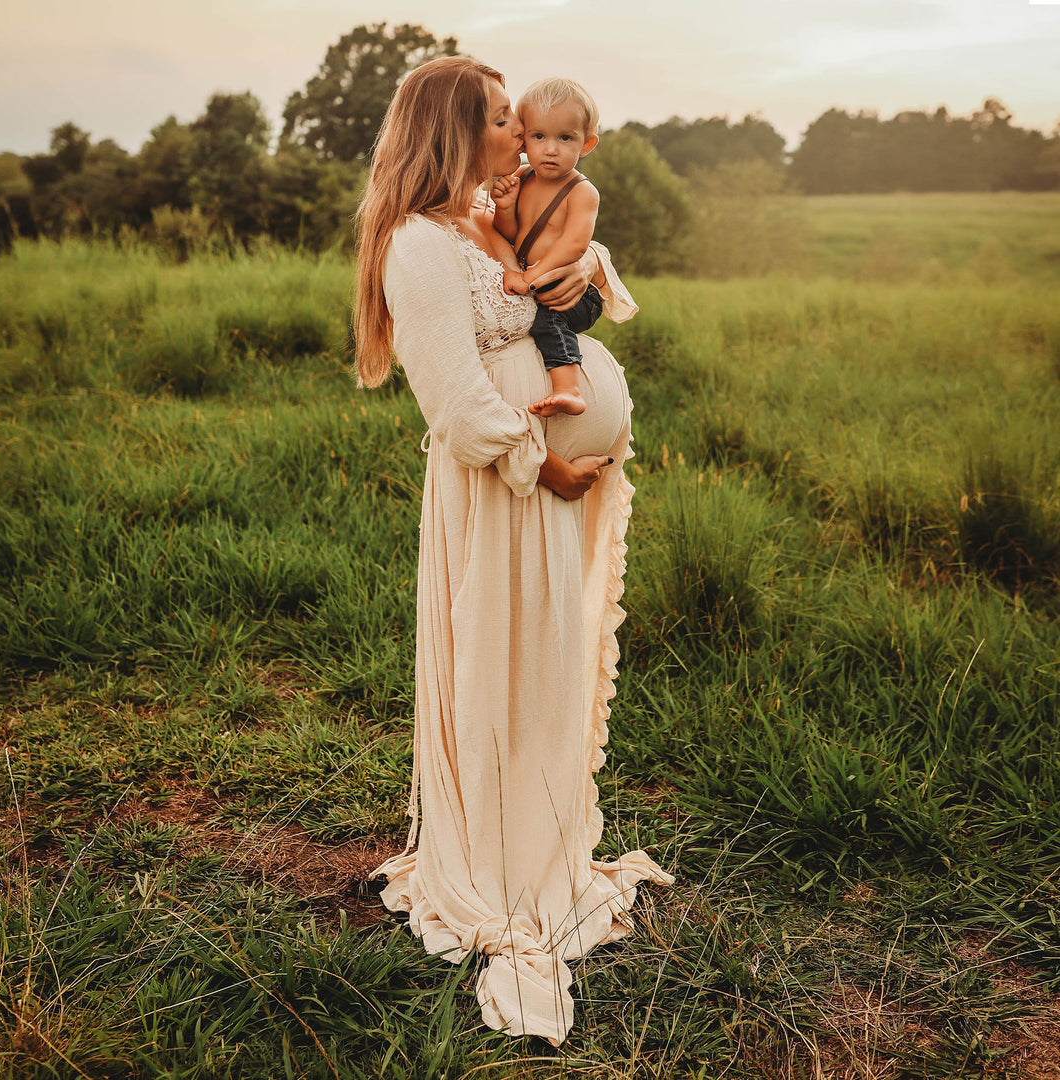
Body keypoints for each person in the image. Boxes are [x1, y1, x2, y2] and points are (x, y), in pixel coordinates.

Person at [355, 56, 672, 1046]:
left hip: (539, 486)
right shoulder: (416, 244)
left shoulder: (471, 224)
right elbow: (452, 402)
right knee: (500, 667)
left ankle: (536, 844)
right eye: (498, 117)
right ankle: (492, 869)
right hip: (504, 491)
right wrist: (539, 463)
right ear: (455, 131)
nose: (516, 128)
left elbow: (547, 293)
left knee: (544, 671)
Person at [490, 78, 603, 419]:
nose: (550, 149)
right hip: (536, 282)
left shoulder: (582, 192)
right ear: (524, 139)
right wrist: (506, 207)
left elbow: (574, 244)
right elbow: (511, 234)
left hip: (573, 293)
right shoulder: (523, 179)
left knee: (547, 321)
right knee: (540, 318)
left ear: (587, 144)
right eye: (539, 136)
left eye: (565, 138)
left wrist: (533, 276)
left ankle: (568, 389)